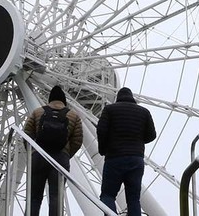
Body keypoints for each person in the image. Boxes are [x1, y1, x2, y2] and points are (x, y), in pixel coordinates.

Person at [23, 85, 83, 216]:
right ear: (64, 100)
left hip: (39, 156)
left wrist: (33, 151)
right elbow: (77, 140)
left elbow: (27, 133)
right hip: (60, 158)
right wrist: (66, 153)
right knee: (56, 196)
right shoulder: (73, 115)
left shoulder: (38, 112)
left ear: (49, 99)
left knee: (34, 196)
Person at [96, 87, 156, 216]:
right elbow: (151, 135)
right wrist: (137, 142)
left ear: (118, 97)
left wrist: (103, 149)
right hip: (136, 159)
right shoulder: (144, 112)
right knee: (134, 198)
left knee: (108, 195)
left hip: (114, 157)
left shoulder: (109, 110)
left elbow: (101, 130)